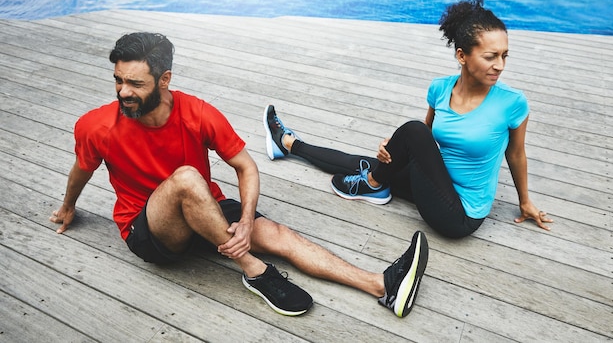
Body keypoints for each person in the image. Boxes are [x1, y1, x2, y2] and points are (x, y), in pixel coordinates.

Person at [50, 32, 429, 318]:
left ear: (164, 79)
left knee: (279, 234)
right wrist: (68, 206)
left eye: (135, 83)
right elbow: (82, 168)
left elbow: (246, 167)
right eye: (118, 80)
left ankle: (383, 286)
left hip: (206, 209)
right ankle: (255, 271)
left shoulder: (197, 112)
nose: (123, 92)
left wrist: (246, 221)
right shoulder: (96, 126)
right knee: (185, 179)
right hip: (148, 229)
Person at [264, 0, 552, 239]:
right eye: (491, 57)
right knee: (368, 163)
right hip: (433, 182)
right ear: (462, 56)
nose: (500, 66)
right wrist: (394, 148)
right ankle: (289, 144)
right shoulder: (440, 88)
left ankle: (374, 185)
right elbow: (425, 137)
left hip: (460, 214)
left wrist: (525, 201)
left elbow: (515, 154)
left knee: (396, 148)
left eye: (504, 56)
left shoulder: (512, 103)